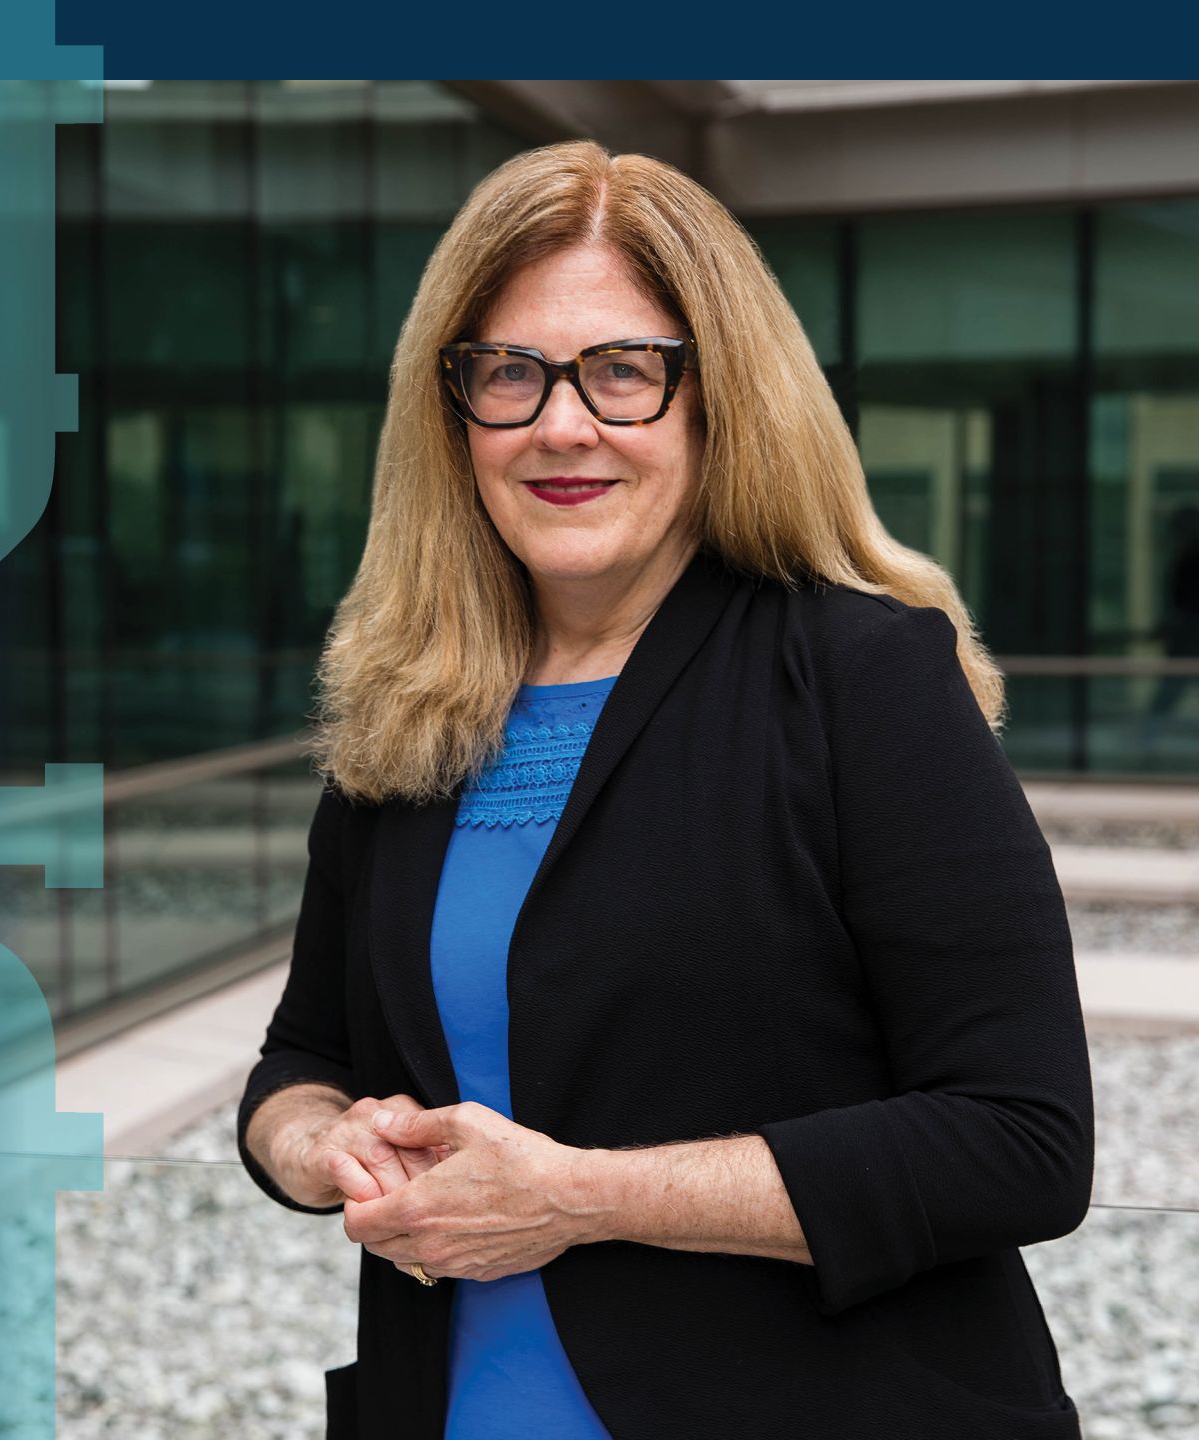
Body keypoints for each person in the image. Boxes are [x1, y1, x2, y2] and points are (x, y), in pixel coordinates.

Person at [235, 140, 1093, 1440]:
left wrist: (584, 1196)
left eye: (623, 371)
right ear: (452, 409)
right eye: (510, 373)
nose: (560, 424)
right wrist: (318, 1150)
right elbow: (301, 1061)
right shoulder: (415, 704)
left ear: (717, 399)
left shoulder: (861, 679)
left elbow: (1022, 1139)